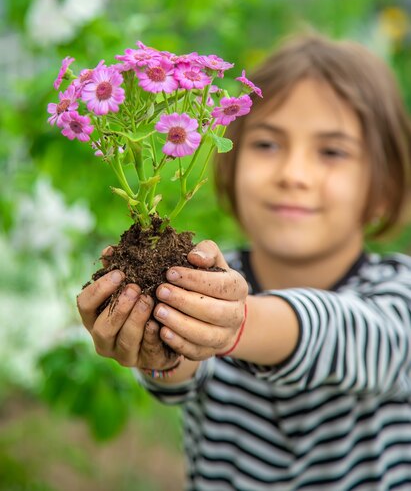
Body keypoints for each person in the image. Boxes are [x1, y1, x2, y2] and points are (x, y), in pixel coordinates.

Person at [77, 32, 411, 490]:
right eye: (268, 145)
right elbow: (182, 376)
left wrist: (237, 323)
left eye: (332, 151)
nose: (293, 174)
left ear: (386, 187)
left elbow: (361, 338)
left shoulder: (399, 292)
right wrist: (162, 349)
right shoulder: (202, 278)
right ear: (226, 162)